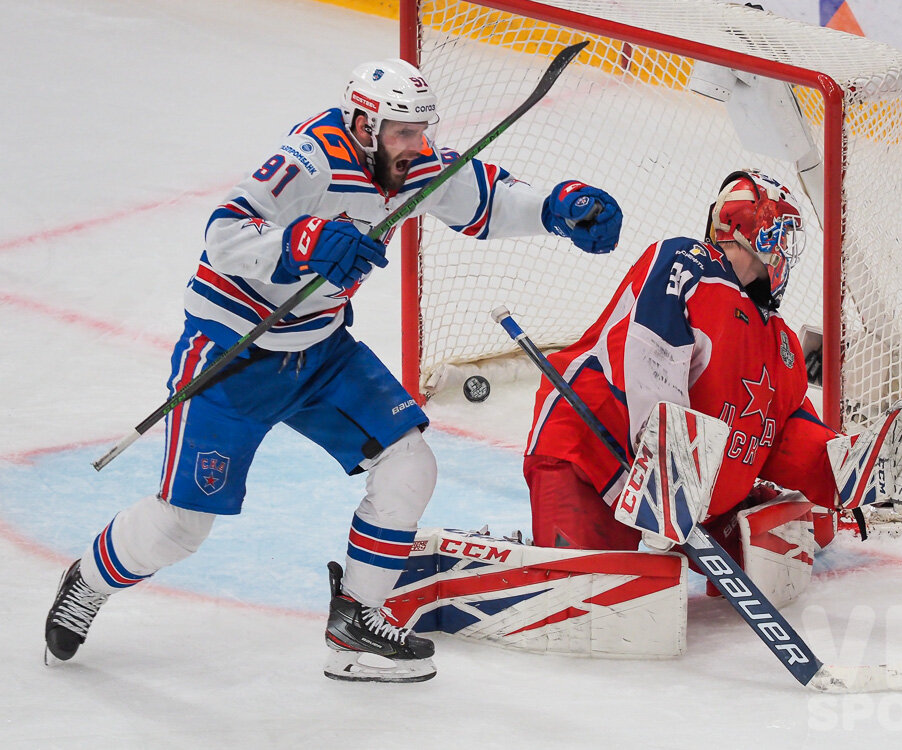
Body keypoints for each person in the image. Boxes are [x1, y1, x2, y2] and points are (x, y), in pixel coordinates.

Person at [44, 58, 622, 683]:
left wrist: (563, 208)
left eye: (421, 130)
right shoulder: (310, 159)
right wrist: (302, 242)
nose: (416, 145)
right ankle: (89, 582)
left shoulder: (415, 163)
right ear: (363, 125)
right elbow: (225, 234)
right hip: (232, 357)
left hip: (321, 351)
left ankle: (354, 627)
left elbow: (485, 196)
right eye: (402, 131)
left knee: (410, 463)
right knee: (182, 527)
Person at [524, 169, 843, 560]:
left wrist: (845, 471)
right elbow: (651, 361)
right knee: (592, 595)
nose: (785, 252)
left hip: (687, 492)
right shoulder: (686, 265)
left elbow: (784, 426)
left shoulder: (777, 336)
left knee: (801, 532)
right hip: (589, 458)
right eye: (782, 234)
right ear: (756, 229)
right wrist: (667, 483)